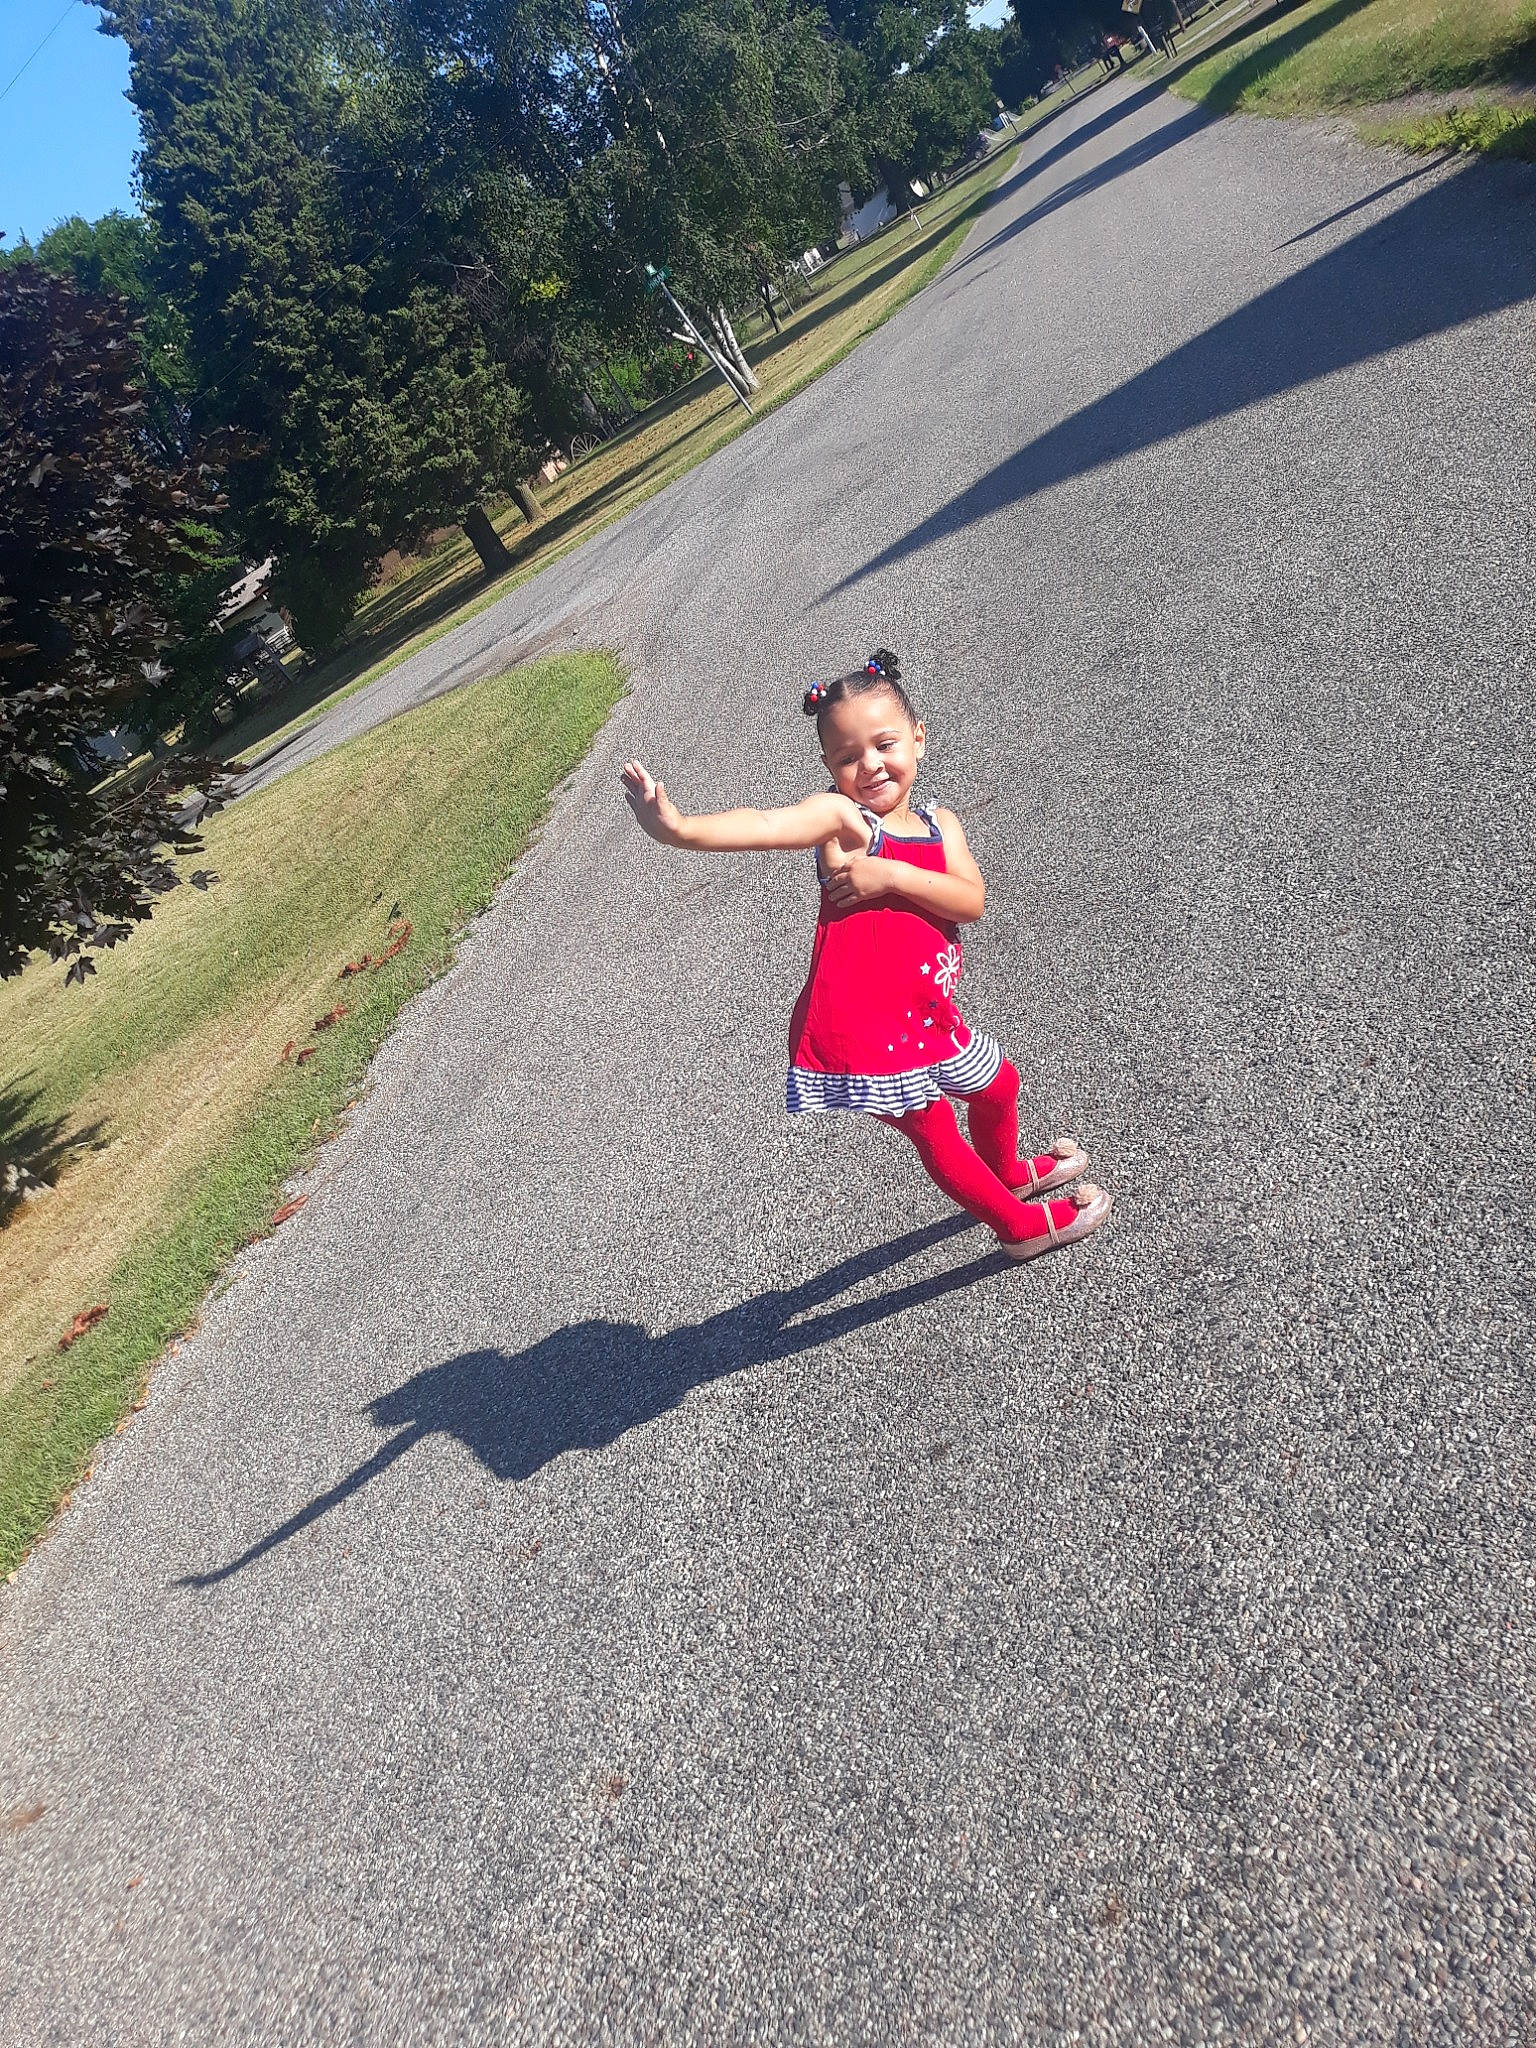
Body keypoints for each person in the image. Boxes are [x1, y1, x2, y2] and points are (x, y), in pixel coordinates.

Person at [621, 651, 1113, 1262]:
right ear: (830, 767)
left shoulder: (941, 824)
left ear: (918, 738)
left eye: (884, 745)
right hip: (862, 1028)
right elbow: (768, 823)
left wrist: (890, 876)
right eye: (848, 757)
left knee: (999, 1086)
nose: (870, 766)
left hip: (926, 1013)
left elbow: (970, 902)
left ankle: (1010, 1170)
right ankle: (1018, 1225)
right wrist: (679, 828)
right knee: (934, 1126)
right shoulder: (844, 820)